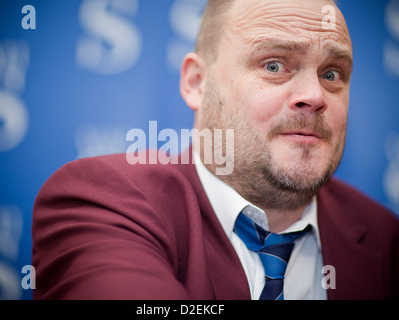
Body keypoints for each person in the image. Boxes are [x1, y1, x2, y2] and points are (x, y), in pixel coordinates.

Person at [32, 0, 399, 300]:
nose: (315, 96)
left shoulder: (385, 236)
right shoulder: (100, 201)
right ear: (196, 83)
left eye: (332, 74)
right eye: (274, 65)